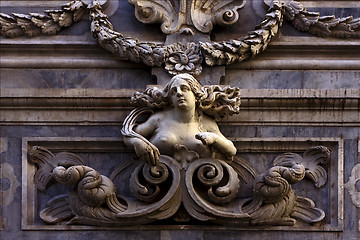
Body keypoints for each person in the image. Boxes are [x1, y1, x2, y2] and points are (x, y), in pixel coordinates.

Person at [123, 73, 241, 166]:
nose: (179, 93)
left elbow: (231, 150)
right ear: (171, 100)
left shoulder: (206, 123)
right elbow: (129, 134)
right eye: (174, 92)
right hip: (156, 180)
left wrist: (215, 139)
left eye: (184, 89)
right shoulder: (159, 119)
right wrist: (137, 142)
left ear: (196, 95)